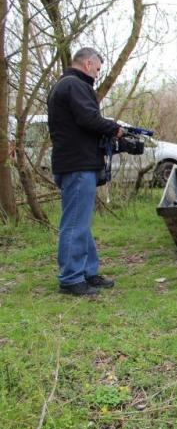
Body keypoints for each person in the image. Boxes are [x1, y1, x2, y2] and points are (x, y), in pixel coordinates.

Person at [47, 47, 123, 296]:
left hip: (75, 162)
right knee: (75, 224)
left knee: (81, 222)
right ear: (88, 63)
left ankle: (88, 272)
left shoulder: (66, 85)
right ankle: (70, 278)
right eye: (98, 69)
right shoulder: (74, 85)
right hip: (77, 165)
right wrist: (114, 128)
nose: (98, 74)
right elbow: (88, 119)